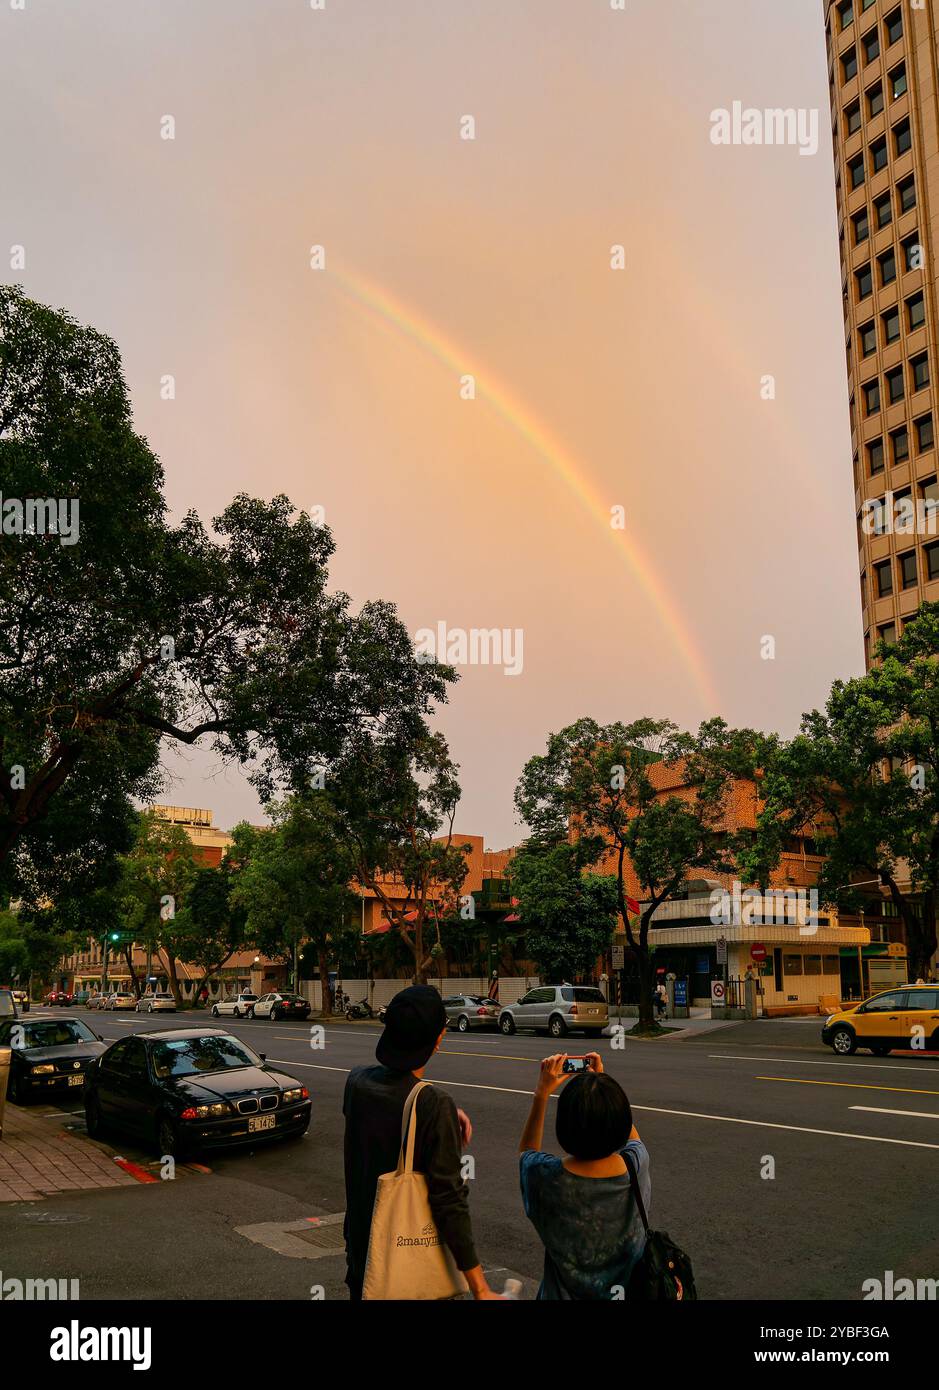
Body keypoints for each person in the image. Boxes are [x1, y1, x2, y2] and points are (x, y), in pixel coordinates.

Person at [342, 984, 498, 1301]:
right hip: (404, 1265)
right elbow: (449, 1199)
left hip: (363, 1251)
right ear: (437, 1039)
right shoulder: (432, 1104)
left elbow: (389, 1105)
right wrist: (480, 1288)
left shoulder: (356, 1081)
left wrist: (440, 1112)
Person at [518, 1052, 651, 1300]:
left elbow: (527, 1152)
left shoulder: (545, 1177)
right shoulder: (636, 1165)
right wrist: (602, 1086)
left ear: (564, 1126)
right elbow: (629, 1133)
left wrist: (541, 1094)